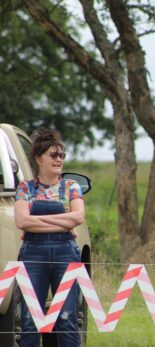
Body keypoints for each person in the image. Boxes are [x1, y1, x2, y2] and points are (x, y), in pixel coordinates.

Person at [14, 129, 84, 347]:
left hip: (65, 253)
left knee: (66, 319)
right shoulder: (26, 187)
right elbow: (22, 222)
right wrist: (64, 222)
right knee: (30, 320)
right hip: (33, 254)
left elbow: (79, 217)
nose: (59, 160)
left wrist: (38, 222)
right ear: (38, 158)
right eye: (53, 155)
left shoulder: (71, 186)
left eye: (61, 155)